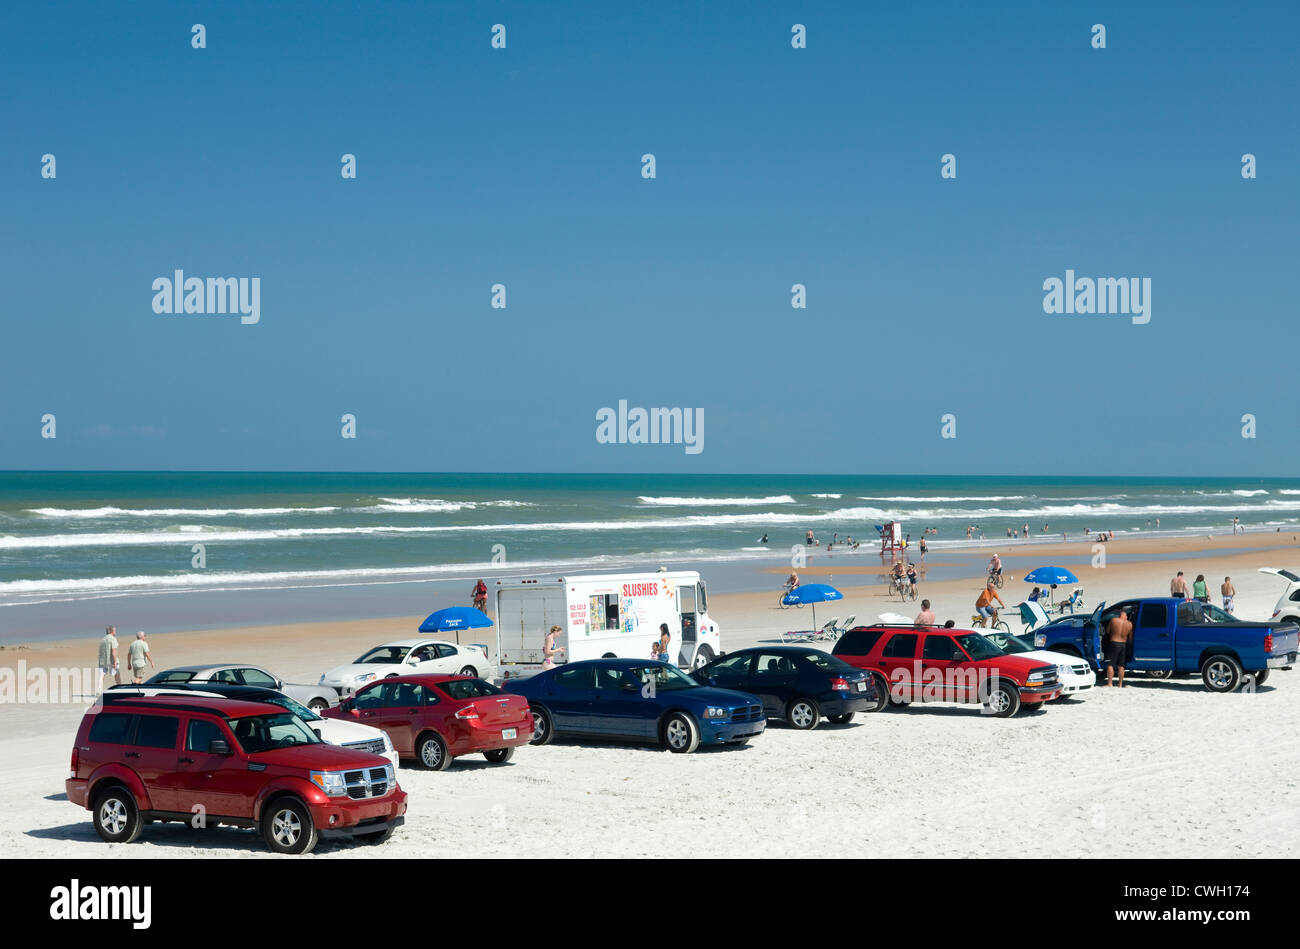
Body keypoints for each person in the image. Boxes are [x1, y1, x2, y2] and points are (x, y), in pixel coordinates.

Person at [1104, 607, 1133, 687]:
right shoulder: (1130, 624)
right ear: (1126, 616)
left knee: (1110, 664)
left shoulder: (1113, 620)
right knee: (1121, 666)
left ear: (1120, 615)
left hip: (1114, 643)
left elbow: (1107, 631)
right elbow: (1130, 637)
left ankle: (1110, 683)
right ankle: (1120, 684)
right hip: (1123, 645)